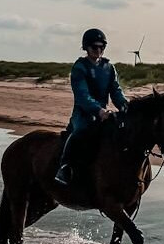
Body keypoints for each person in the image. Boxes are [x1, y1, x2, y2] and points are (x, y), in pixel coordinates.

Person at [55, 28, 129, 186]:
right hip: (83, 113)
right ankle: (64, 166)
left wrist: (126, 106)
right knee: (79, 131)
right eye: (94, 47)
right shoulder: (80, 67)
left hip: (104, 113)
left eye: (102, 47)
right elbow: (82, 95)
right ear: (86, 47)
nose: (98, 50)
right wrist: (99, 110)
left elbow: (116, 91)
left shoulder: (109, 68)